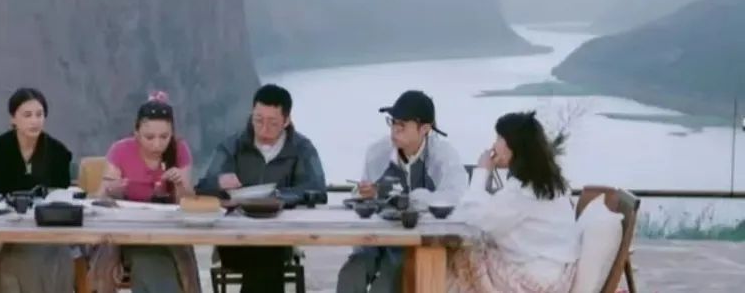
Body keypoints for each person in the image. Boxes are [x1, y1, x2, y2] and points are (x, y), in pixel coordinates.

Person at [196, 83, 327, 293]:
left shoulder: (301, 148)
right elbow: (201, 188)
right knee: (266, 261)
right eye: (258, 120)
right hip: (234, 238)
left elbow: (318, 190)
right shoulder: (233, 146)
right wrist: (219, 182)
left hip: (280, 237)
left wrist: (279, 196)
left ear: (286, 121)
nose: (264, 128)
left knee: (268, 253)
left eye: (272, 123)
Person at [337, 90, 468, 293]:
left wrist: (408, 199)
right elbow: (361, 197)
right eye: (393, 122)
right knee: (350, 274)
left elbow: (455, 197)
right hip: (379, 238)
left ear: (424, 129)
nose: (394, 131)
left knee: (386, 285)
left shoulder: (443, 156)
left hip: (425, 243)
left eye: (402, 125)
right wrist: (364, 194)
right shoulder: (377, 153)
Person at [448, 111, 580, 293]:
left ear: (513, 145)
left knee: (461, 255)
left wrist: (482, 171)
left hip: (536, 283)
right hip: (551, 274)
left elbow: (472, 217)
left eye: (499, 138)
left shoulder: (523, 192)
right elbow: (494, 215)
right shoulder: (542, 184)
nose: (494, 145)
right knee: (472, 252)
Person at [89, 91, 201, 293]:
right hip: (129, 234)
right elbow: (99, 200)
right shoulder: (120, 151)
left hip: (171, 234)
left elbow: (190, 204)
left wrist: (180, 185)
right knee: (149, 261)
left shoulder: (179, 150)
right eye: (149, 137)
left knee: (165, 262)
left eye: (164, 137)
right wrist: (111, 189)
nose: (157, 144)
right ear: (136, 133)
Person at [0, 87, 75, 293]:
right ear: (13, 118)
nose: (34, 121)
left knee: (59, 253)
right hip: (5, 228)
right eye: (27, 115)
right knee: (13, 255)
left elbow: (62, 195)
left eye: (39, 115)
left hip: (47, 227)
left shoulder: (58, 152)